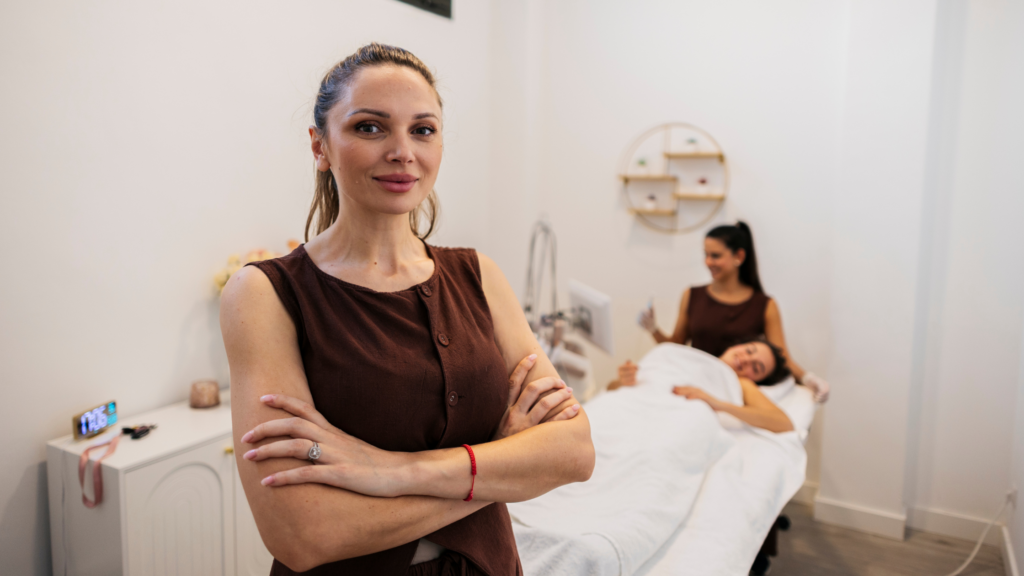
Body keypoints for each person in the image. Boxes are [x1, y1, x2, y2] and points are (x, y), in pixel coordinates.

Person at [220, 44, 595, 576]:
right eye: (370, 127)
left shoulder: (480, 276)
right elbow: (303, 534)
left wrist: (390, 471)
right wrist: (501, 462)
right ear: (320, 146)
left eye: (422, 130)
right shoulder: (264, 293)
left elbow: (574, 451)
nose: (402, 151)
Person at [637, 221, 829, 402]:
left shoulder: (765, 305)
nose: (708, 262)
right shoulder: (692, 295)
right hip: (695, 383)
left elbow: (781, 358)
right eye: (706, 254)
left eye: (716, 256)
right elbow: (675, 347)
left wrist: (808, 379)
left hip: (732, 393)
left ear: (739, 256)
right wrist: (653, 328)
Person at [609, 339, 794, 433]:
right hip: (633, 407)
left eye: (756, 368)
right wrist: (624, 380)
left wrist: (717, 403)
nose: (746, 359)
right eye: (748, 350)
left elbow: (783, 423)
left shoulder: (740, 383)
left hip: (674, 421)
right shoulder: (683, 354)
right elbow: (610, 389)